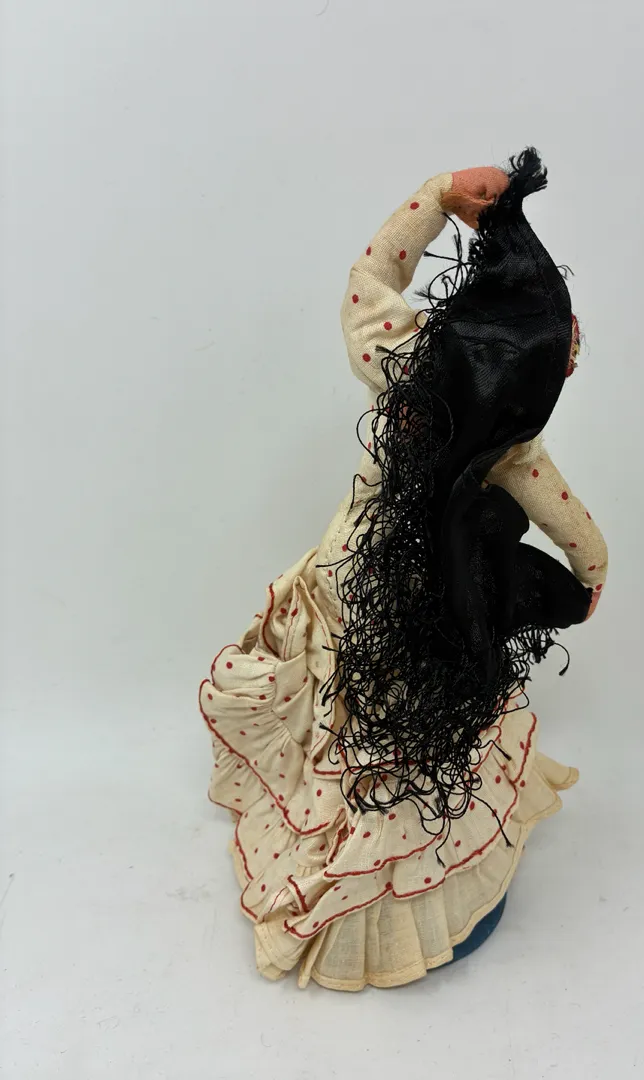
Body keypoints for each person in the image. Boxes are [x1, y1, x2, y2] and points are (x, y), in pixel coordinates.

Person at [200, 149, 607, 991]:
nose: (568, 367)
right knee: (416, 747)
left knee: (357, 726)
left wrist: (436, 198)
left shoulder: (406, 361)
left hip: (354, 579)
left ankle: (384, 874)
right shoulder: (515, 449)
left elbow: (370, 279)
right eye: (562, 357)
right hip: (435, 609)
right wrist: (591, 570)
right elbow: (569, 521)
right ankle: (394, 896)